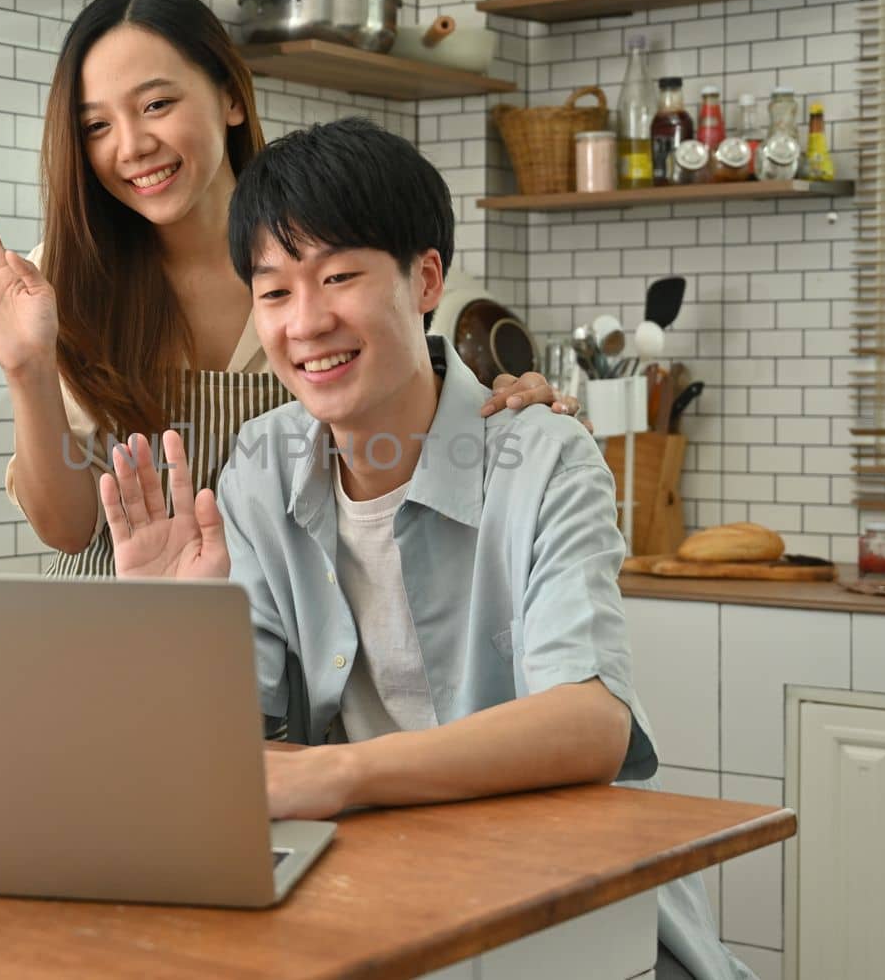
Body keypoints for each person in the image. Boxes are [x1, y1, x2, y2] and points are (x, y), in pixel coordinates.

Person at [98, 118, 754, 980]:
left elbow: (589, 723)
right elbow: (233, 749)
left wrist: (338, 776)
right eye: (275, 292)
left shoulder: (540, 451)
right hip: (366, 890)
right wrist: (169, 630)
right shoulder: (261, 460)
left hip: (566, 902)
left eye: (338, 276)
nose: (307, 323)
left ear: (426, 279)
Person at [0, 0, 571, 577]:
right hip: (116, 624)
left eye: (156, 104)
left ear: (231, 96)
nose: (130, 146)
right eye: (96, 125)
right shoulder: (60, 279)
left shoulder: (328, 246)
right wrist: (27, 367)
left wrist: (509, 408)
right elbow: (68, 531)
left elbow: (433, 389)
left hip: (299, 644)